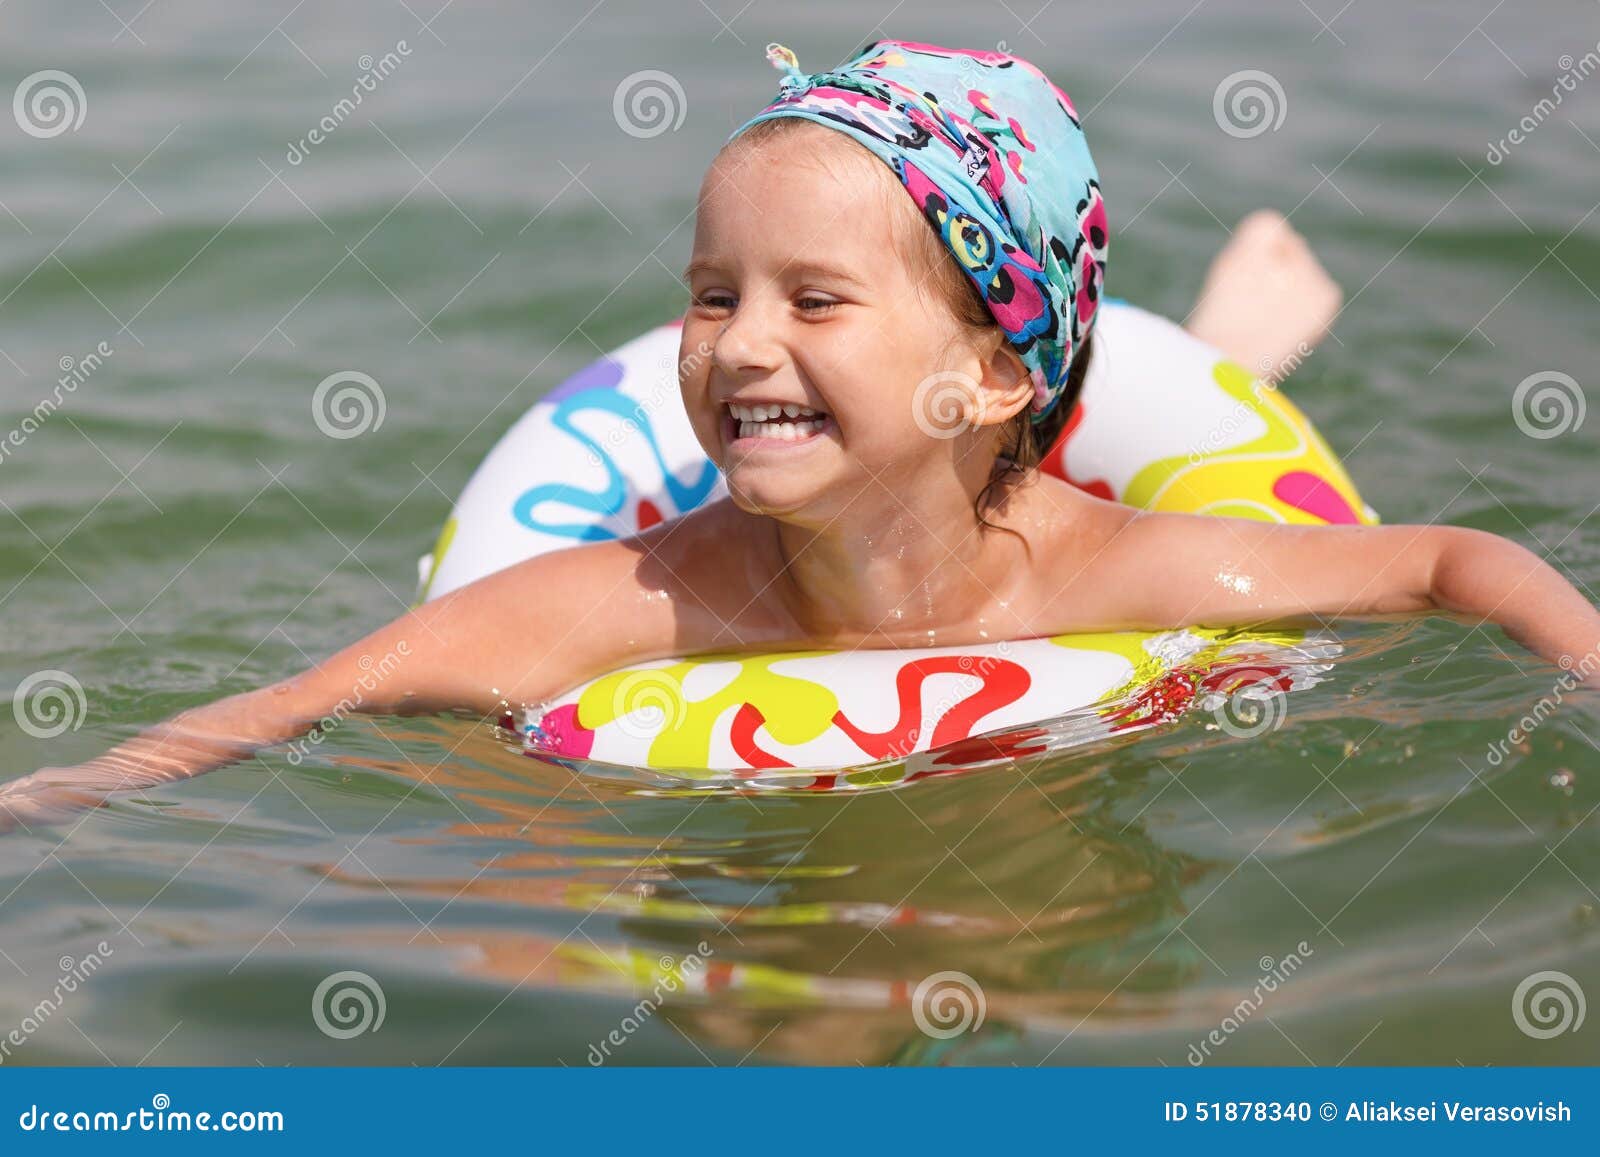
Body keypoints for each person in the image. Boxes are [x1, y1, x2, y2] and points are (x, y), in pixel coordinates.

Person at [3, 39, 1593, 833]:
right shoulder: (650, 597)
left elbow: (1459, 561)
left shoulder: (1117, 571)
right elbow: (315, 696)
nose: (739, 342)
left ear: (983, 376)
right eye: (711, 294)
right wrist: (64, 794)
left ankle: (1222, 354)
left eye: (812, 299)